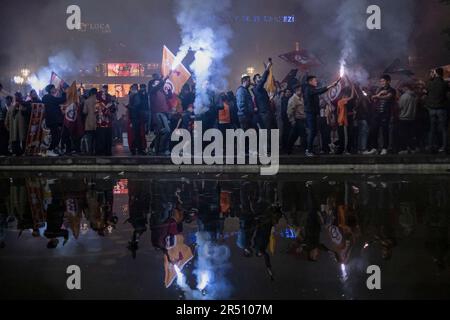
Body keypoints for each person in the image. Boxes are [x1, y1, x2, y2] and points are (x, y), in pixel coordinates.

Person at [302, 74, 341, 157]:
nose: (316, 82)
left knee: (314, 131)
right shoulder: (308, 89)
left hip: (313, 113)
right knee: (312, 131)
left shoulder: (311, 89)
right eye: (315, 80)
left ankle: (309, 149)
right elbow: (319, 91)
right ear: (310, 81)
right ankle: (308, 150)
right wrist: (330, 86)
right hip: (310, 113)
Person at [367, 75, 396, 155]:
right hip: (377, 113)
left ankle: (384, 148)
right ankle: (374, 148)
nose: (382, 83)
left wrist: (377, 96)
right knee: (374, 130)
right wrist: (379, 94)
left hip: (386, 113)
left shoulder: (392, 90)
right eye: (381, 81)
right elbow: (373, 98)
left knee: (384, 131)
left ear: (388, 81)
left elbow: (388, 97)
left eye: (383, 81)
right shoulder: (379, 89)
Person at [424, 68, 449, 153]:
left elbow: (426, 92)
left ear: (435, 73)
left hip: (431, 109)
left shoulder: (429, 84)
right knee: (444, 129)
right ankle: (444, 147)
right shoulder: (444, 84)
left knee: (432, 129)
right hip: (442, 109)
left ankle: (431, 146)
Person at [149, 72, 172, 155]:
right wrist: (165, 78)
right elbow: (159, 85)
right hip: (157, 114)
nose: (157, 83)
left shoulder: (162, 92)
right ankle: (160, 150)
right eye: (156, 83)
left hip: (164, 113)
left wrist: (169, 90)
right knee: (164, 131)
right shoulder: (153, 91)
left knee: (163, 132)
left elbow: (169, 97)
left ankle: (158, 150)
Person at [42, 84, 66, 157]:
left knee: (57, 136)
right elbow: (61, 100)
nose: (55, 89)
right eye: (53, 88)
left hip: (54, 120)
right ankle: (50, 150)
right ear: (50, 89)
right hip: (52, 120)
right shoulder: (48, 97)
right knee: (56, 136)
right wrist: (64, 93)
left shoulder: (50, 97)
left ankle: (52, 149)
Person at [95, 85, 116, 156]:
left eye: (106, 91)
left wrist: (113, 106)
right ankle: (100, 151)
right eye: (103, 91)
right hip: (100, 121)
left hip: (108, 121)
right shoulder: (97, 99)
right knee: (100, 137)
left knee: (108, 137)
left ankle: (108, 151)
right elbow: (96, 110)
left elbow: (113, 110)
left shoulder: (109, 98)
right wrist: (104, 108)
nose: (104, 93)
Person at [252, 59, 273, 130]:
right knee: (268, 131)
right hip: (264, 113)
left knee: (272, 130)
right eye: (259, 77)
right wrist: (267, 68)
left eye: (260, 77)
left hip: (268, 112)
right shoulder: (257, 88)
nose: (260, 78)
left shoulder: (261, 89)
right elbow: (263, 80)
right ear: (255, 81)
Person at [398, 84, 418, 154]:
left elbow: (400, 107)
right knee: (411, 134)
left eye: (403, 88)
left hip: (403, 118)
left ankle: (404, 149)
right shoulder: (415, 96)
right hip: (412, 118)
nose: (402, 89)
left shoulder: (404, 96)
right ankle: (412, 148)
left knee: (403, 134)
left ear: (406, 88)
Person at [286, 84, 307, 154]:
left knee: (294, 135)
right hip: (297, 120)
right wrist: (292, 121)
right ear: (296, 90)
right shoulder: (293, 99)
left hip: (301, 119)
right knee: (303, 135)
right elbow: (290, 111)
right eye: (300, 89)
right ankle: (306, 149)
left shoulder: (301, 98)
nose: (301, 91)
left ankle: (288, 149)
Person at [336, 84, 355, 155]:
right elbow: (352, 97)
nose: (347, 97)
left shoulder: (339, 101)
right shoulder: (342, 101)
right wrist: (353, 88)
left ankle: (344, 149)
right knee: (345, 136)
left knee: (343, 136)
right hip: (343, 121)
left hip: (341, 120)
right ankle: (345, 150)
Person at [128, 84, 145, 155]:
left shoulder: (133, 96)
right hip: (136, 117)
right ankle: (137, 149)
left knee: (137, 134)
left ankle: (135, 149)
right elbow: (137, 106)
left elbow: (135, 107)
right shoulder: (135, 96)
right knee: (137, 134)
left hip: (135, 117)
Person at [355, 87, 372, 154]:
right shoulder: (363, 98)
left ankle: (359, 149)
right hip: (364, 118)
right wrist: (369, 115)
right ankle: (363, 149)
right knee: (364, 134)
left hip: (359, 118)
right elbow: (366, 108)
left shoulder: (358, 98)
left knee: (360, 134)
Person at [82, 88, 98, 155]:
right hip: (98, 121)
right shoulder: (98, 100)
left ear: (90, 93)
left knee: (89, 137)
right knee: (97, 138)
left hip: (89, 121)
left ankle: (90, 152)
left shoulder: (87, 101)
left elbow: (85, 111)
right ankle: (96, 151)